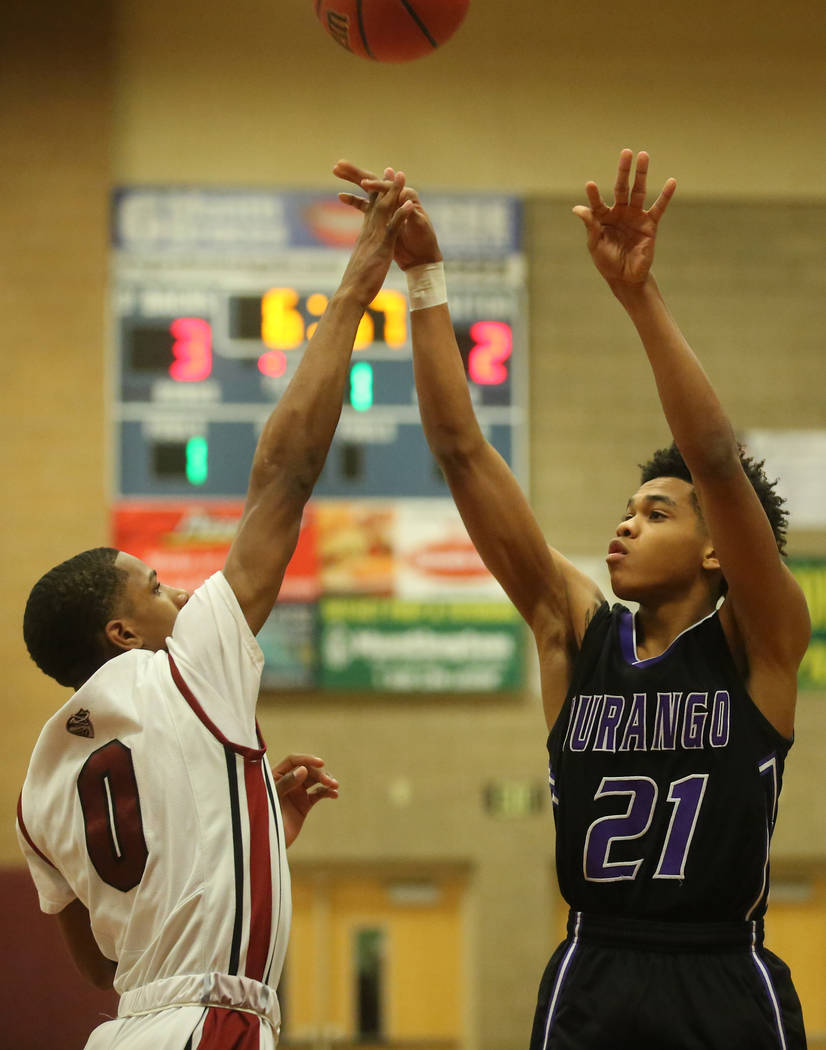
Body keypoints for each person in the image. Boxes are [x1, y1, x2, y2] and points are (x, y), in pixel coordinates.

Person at [335, 153, 810, 1049]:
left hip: (723, 972)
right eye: (626, 511)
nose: (624, 527)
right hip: (594, 967)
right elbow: (462, 451)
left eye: (655, 513)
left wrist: (639, 297)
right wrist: (425, 279)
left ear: (717, 548)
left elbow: (711, 455)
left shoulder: (762, 641)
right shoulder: (576, 629)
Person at [16, 171, 414, 1050]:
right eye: (156, 589)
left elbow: (100, 963)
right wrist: (362, 275)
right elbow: (286, 475)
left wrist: (252, 826)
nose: (184, 595)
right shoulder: (184, 666)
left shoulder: (40, 783)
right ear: (122, 633)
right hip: (210, 1027)